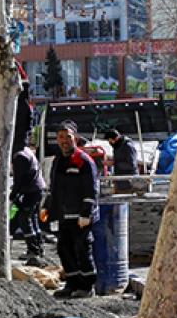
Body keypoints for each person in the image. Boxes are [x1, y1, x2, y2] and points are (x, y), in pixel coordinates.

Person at [42, 122, 99, 298]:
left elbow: (92, 190)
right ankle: (72, 284)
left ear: (74, 138)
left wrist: (86, 213)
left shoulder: (83, 161)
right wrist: (47, 207)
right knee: (64, 249)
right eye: (61, 137)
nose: (64, 140)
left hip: (81, 217)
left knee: (82, 249)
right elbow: (54, 189)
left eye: (67, 137)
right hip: (64, 215)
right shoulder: (58, 160)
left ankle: (87, 286)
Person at [11, 132, 46, 259]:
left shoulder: (20, 156)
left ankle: (34, 249)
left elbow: (19, 179)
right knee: (33, 218)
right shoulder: (26, 151)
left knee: (25, 219)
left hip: (31, 191)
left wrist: (14, 193)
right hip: (36, 188)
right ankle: (39, 248)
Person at [104, 128, 138, 193]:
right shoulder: (117, 146)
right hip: (119, 182)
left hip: (129, 182)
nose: (110, 143)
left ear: (116, 138)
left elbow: (131, 165)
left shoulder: (128, 147)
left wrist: (114, 163)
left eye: (110, 141)